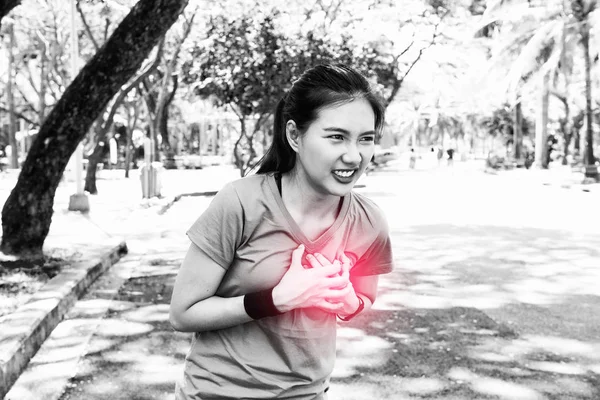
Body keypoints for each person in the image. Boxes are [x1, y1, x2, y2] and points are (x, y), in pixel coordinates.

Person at [169, 64, 395, 400]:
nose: (354, 155)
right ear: (294, 135)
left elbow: (360, 301)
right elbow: (183, 313)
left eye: (366, 139)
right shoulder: (241, 202)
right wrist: (275, 299)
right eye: (336, 137)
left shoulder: (369, 221)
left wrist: (346, 299)